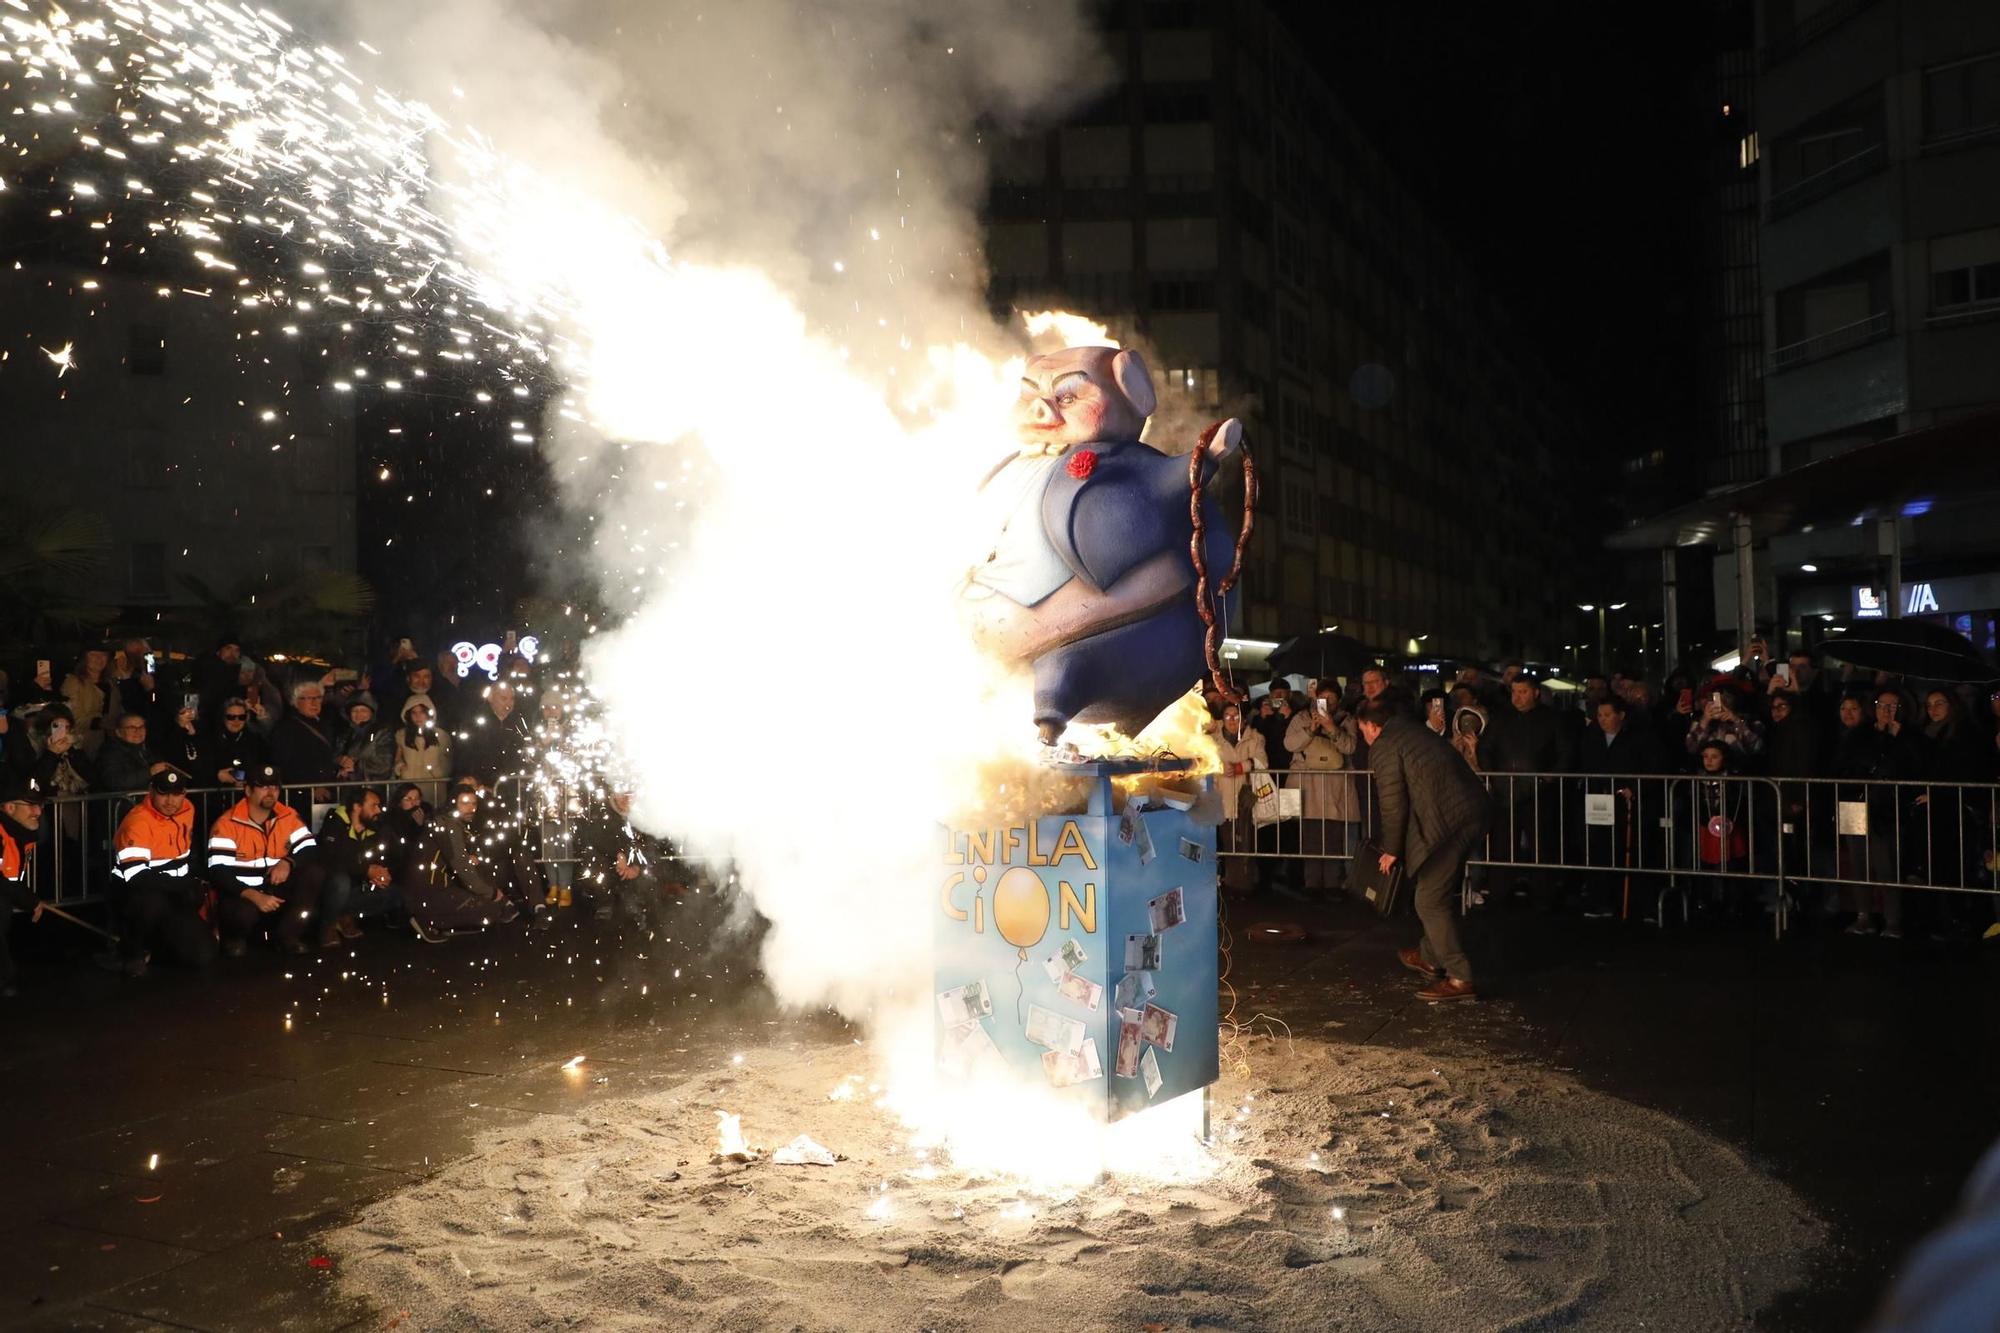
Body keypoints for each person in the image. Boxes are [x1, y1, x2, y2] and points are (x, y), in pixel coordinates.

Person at [1358, 693, 1492, 1002]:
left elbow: (1392, 802)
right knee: (1435, 891)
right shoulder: (1411, 731)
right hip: (1469, 812)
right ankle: (1429, 956)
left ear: (1372, 726)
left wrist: (1391, 848)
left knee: (1429, 901)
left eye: (1362, 729)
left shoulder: (1385, 745)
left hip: (1448, 824)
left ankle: (1459, 976)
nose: (1363, 735)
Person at [206, 763, 324, 957]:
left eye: (275, 787)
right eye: (263, 787)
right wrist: (253, 895)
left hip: (274, 888)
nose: (270, 792)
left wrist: (288, 862)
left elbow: (310, 848)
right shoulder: (227, 824)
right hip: (242, 893)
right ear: (248, 790)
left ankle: (287, 937)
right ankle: (235, 939)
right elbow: (218, 871)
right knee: (242, 914)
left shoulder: (288, 816)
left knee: (314, 874)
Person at [110, 769, 215, 976]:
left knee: (205, 954)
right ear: (151, 791)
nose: (170, 801)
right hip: (138, 896)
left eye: (176, 794)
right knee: (150, 905)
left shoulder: (187, 811)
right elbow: (136, 876)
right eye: (163, 793)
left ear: (184, 794)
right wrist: (185, 884)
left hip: (176, 896)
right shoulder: (138, 822)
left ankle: (159, 950)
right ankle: (133, 951)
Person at [400, 785, 519, 941]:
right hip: (429, 892)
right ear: (454, 803)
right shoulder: (448, 825)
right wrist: (493, 894)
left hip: (431, 889)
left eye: (474, 803)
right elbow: (462, 868)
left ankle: (433, 918)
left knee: (487, 900)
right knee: (490, 912)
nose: (471, 808)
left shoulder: (448, 823)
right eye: (465, 803)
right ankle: (428, 920)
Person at [1284, 681, 1360, 897]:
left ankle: (1332, 884)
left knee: (1334, 838)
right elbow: (1289, 744)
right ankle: (1312, 884)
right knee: (1310, 838)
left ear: (1339, 700)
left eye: (1331, 698)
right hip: (1308, 786)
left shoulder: (1347, 720)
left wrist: (1331, 728)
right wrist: (1311, 729)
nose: (1327, 702)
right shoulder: (1301, 718)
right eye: (1323, 698)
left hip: (1335, 788)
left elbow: (1350, 747)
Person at [316, 788, 398, 947]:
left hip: (358, 884)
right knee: (340, 882)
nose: (378, 810)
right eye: (373, 805)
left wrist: (381, 873)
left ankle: (345, 914)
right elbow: (331, 860)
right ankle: (328, 924)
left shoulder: (375, 828)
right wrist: (366, 870)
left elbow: (385, 856)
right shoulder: (335, 825)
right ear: (357, 807)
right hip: (330, 886)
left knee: (395, 894)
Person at [0, 774, 48, 997]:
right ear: (10, 808)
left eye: (39, 805)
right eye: (30, 805)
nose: (38, 812)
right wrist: (29, 899)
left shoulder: (19, 833)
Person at [1212, 701, 1267, 895]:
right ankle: (1231, 883)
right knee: (1228, 842)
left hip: (1247, 798)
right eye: (1228, 715)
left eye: (1236, 715)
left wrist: (1240, 767)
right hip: (1223, 798)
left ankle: (1245, 883)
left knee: (1246, 842)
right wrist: (1220, 767)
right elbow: (1204, 762)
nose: (1232, 720)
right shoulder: (1213, 740)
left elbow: (1262, 761)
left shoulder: (1255, 738)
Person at [269, 678, 339, 801]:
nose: (314, 703)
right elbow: (283, 763)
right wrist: (310, 787)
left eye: (318, 698)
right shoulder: (286, 728)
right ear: (295, 701)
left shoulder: (326, 724)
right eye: (309, 698)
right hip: (299, 794)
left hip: (326, 791)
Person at [393, 693, 451, 805]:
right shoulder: (401, 735)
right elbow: (397, 757)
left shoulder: (441, 735)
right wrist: (401, 769)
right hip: (409, 787)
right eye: (414, 712)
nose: (418, 716)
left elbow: (448, 760)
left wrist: (438, 772)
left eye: (422, 712)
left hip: (434, 787)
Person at [209, 696, 271, 788]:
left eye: (241, 717)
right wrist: (218, 775)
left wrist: (240, 777)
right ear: (223, 718)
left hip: (248, 792)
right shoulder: (211, 741)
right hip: (217, 793)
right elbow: (203, 770)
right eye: (231, 717)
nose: (236, 720)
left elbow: (264, 768)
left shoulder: (255, 741)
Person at [334, 692, 396, 785]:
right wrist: (340, 760)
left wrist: (356, 766)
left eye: (363, 710)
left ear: (371, 713)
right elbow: (334, 755)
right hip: (348, 786)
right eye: (354, 711)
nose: (359, 714)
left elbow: (385, 765)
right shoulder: (345, 733)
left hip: (374, 786)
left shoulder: (382, 732)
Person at [60, 648, 113, 754]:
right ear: (84, 658)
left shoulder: (111, 683)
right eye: (93, 654)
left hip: (111, 741)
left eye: (103, 654)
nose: (99, 658)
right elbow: (72, 717)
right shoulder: (74, 682)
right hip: (84, 743)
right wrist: (100, 723)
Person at [96, 713, 159, 800]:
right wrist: (149, 772)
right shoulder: (110, 752)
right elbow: (113, 782)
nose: (138, 731)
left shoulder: (147, 750)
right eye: (131, 728)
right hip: (122, 804)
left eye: (141, 727)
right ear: (118, 732)